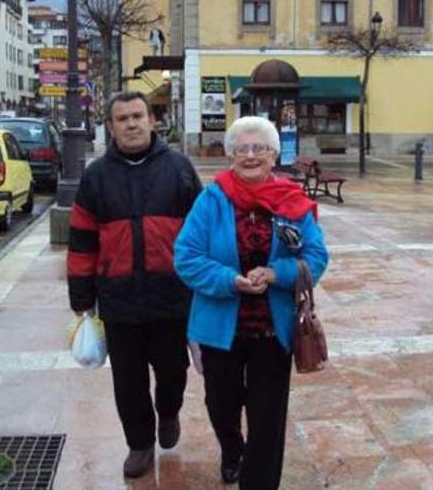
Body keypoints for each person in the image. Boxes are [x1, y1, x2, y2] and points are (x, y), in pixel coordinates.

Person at [174, 116, 329, 489]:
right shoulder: (212, 200)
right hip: (219, 325)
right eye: (241, 148)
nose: (250, 155)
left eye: (259, 148)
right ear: (230, 156)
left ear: (274, 155)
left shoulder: (292, 201)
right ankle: (231, 448)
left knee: (268, 417)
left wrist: (277, 274)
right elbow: (186, 257)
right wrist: (231, 281)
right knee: (221, 404)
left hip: (272, 329)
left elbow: (317, 256)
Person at [67, 91, 202, 478]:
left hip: (172, 296)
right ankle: (139, 444)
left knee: (173, 372)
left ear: (151, 120)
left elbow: (202, 232)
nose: (131, 124)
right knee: (128, 382)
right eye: (122, 118)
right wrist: (82, 299)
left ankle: (169, 411)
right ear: (111, 127)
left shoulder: (179, 169)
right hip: (119, 299)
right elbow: (81, 241)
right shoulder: (96, 177)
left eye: (138, 116)